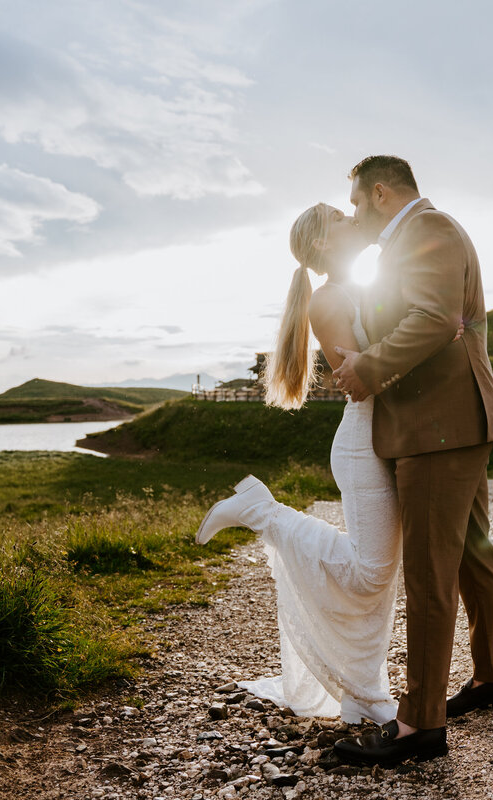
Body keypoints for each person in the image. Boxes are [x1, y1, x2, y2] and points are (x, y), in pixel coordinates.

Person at [332, 155, 493, 766]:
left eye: (357, 203)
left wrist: (368, 366)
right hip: (449, 423)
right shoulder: (421, 234)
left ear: (380, 192)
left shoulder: (427, 230)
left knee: (428, 574)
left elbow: (438, 319)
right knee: (472, 553)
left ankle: (420, 724)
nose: (354, 214)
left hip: (438, 427)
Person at [194, 203, 401, 725]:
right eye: (339, 216)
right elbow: (367, 378)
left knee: (381, 575)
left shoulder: (367, 284)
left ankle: (364, 696)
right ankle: (260, 511)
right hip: (363, 445)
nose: (352, 217)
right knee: (370, 573)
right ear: (323, 244)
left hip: (388, 440)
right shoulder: (330, 298)